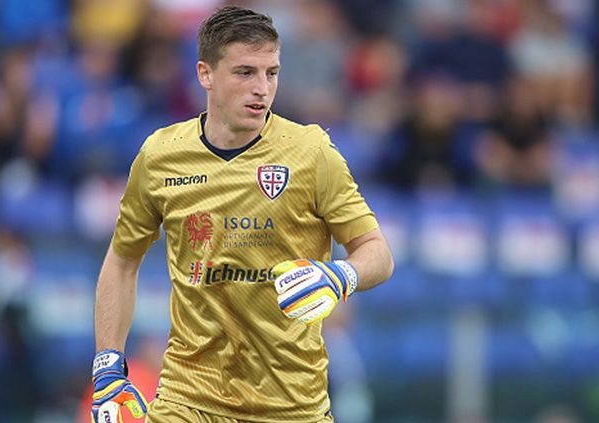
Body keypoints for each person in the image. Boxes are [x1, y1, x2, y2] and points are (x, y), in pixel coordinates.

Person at [90, 5, 394, 423]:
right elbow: (122, 260)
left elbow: (376, 251)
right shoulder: (161, 156)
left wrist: (342, 275)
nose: (262, 89)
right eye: (245, 72)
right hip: (188, 398)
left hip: (290, 405)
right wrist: (108, 363)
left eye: (271, 73)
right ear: (205, 74)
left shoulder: (311, 152)